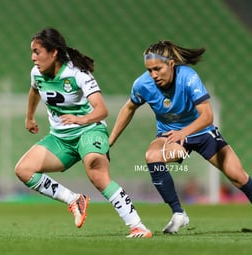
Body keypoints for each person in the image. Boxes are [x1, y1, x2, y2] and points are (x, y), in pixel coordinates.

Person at [109, 40, 252, 235]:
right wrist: (111, 140)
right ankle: (178, 213)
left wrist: (184, 132)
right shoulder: (142, 85)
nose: (153, 75)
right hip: (170, 136)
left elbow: (207, 116)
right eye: (149, 70)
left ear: (171, 64)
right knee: (152, 156)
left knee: (238, 176)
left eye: (158, 69)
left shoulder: (188, 78)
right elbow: (129, 108)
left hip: (202, 132)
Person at [15, 27, 152, 238]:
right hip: (61, 138)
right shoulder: (36, 73)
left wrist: (81, 119)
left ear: (53, 53)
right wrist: (29, 117)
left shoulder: (77, 73)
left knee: (96, 171)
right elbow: (34, 90)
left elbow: (101, 110)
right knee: (24, 170)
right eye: (32, 52)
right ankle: (73, 199)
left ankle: (138, 226)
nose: (33, 58)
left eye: (37, 52)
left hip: (90, 130)